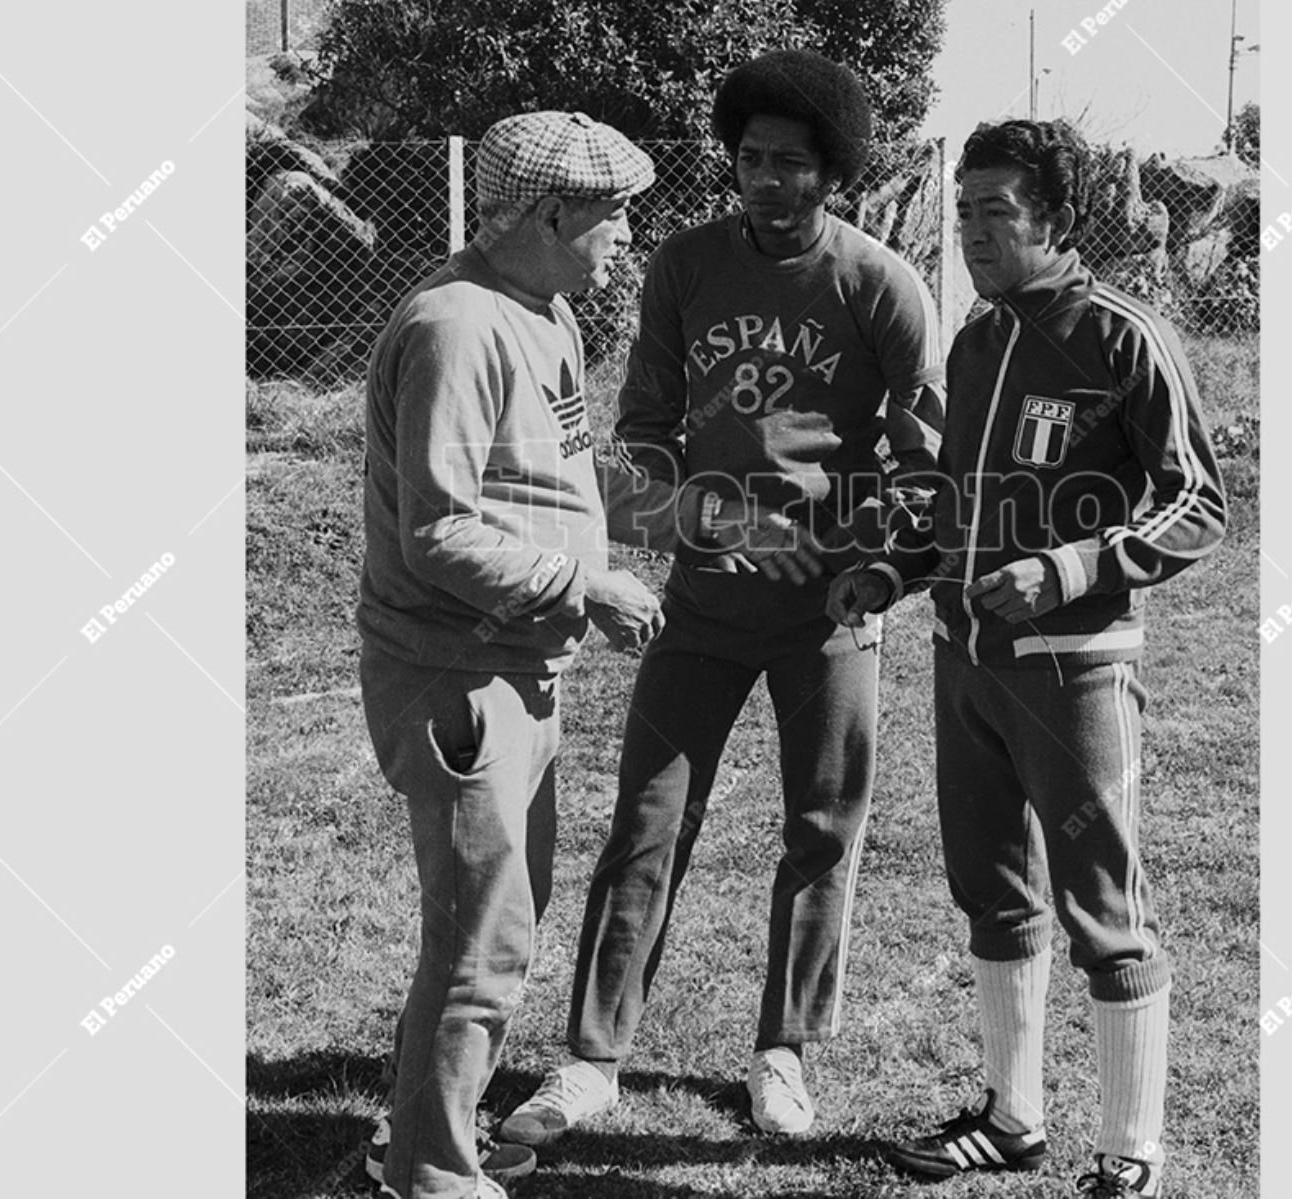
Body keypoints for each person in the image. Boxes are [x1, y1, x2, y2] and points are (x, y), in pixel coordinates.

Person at [500, 49, 946, 1144]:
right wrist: (680, 523)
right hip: (701, 602)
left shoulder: (881, 282)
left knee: (820, 829)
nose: (767, 180)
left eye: (792, 163)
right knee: (648, 820)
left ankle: (782, 1052)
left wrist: (869, 554)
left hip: (828, 610)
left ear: (833, 171)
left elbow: (928, 453)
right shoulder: (683, 268)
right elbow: (643, 428)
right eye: (750, 158)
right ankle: (592, 1058)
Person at [825, 119, 1226, 1197]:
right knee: (993, 893)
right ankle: (1013, 1117)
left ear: (1057, 220)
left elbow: (1200, 504)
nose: (972, 236)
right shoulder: (978, 339)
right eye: (963, 216)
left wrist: (1072, 567)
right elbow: (957, 501)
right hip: (967, 662)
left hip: (1075, 668)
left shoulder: (1123, 334)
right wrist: (898, 569)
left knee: (1104, 905)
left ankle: (1130, 1148)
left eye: (995, 215)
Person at [356, 110, 667, 1199]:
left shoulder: (549, 312)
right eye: (615, 213)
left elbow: (553, 479)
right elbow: (436, 529)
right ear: (552, 213)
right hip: (458, 675)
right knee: (478, 942)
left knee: (501, 926)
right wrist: (585, 584)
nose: (629, 232)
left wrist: (692, 518)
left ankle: (421, 1137)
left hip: (522, 664)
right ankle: (431, 1175)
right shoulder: (455, 326)